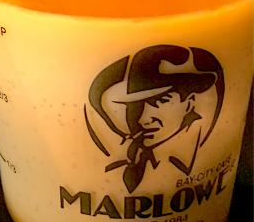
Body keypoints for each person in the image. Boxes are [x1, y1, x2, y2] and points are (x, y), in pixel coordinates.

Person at [86, 44, 224, 193]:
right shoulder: (125, 161)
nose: (142, 120)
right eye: (136, 106)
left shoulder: (195, 158)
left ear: (190, 103)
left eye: (159, 101)